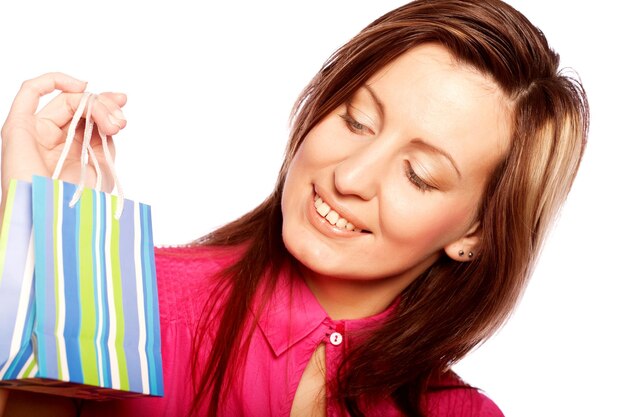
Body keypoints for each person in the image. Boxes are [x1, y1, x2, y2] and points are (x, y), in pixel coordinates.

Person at [0, 0, 588, 416]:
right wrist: (43, 247)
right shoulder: (128, 303)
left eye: (419, 174)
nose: (349, 177)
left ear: (478, 232)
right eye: (356, 120)